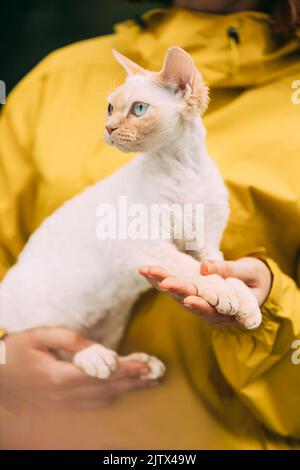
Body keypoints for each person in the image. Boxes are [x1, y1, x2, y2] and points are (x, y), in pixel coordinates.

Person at [0, 0, 300, 449]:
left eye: (134, 111)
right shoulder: (55, 79)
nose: (110, 128)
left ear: (186, 90)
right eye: (109, 111)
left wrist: (270, 308)